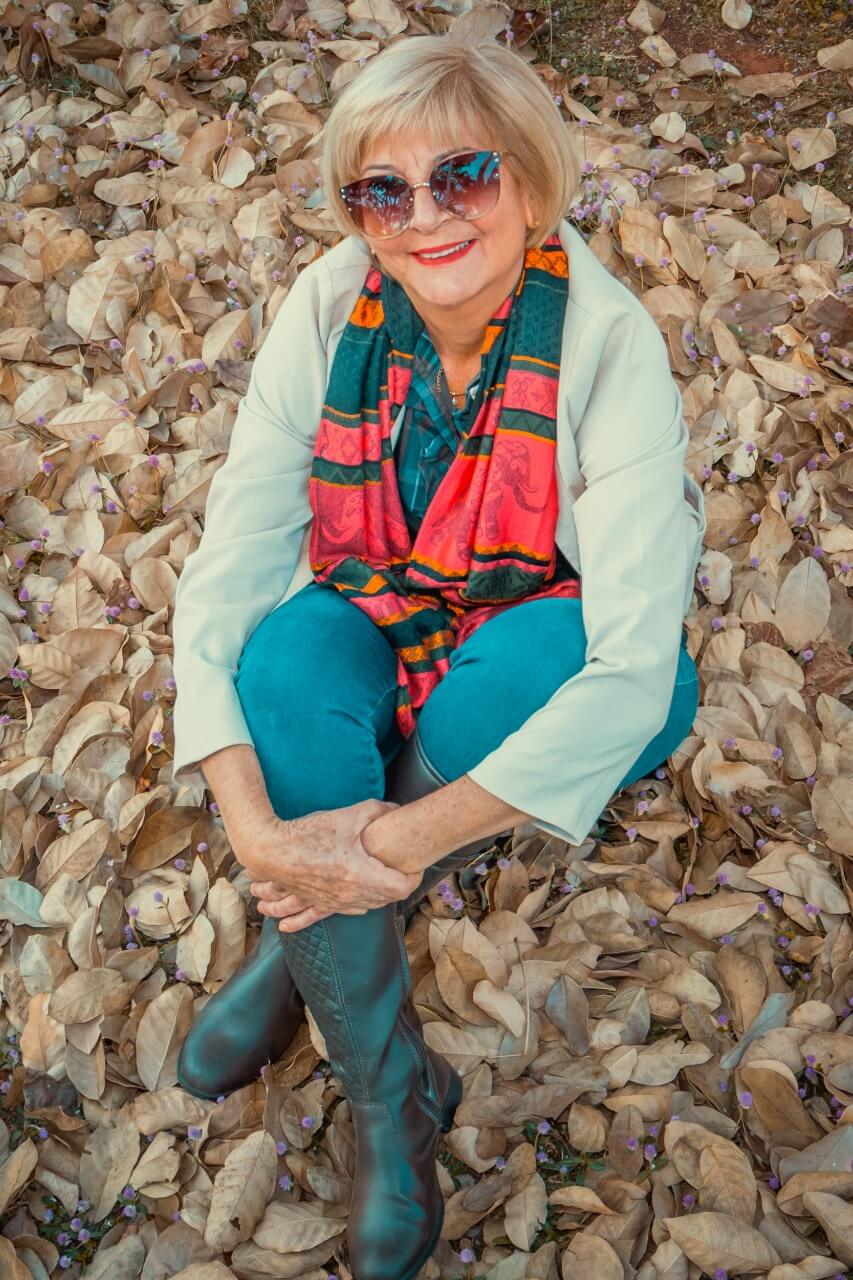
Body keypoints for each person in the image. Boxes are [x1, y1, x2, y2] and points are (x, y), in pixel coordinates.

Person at [169, 32, 706, 1280]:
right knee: (283, 670)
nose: (423, 216)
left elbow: (630, 663)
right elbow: (229, 562)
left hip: (531, 627)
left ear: (530, 178)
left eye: (462, 174)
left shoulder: (607, 341)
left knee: (571, 671)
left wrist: (381, 852)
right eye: (383, 190)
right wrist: (255, 832)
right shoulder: (328, 306)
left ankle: (297, 951)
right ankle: (392, 1097)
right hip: (377, 599)